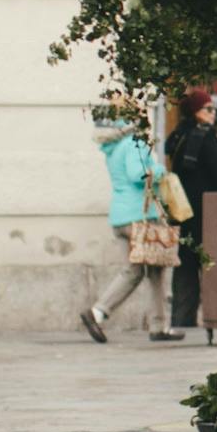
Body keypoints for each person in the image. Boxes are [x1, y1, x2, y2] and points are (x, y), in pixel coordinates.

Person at [81, 96, 168, 342]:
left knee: (136, 270)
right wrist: (160, 171)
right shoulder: (134, 141)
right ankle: (157, 326)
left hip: (120, 217)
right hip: (140, 216)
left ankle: (99, 313)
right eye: (141, 111)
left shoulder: (113, 144)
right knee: (153, 269)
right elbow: (138, 174)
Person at [161, 88, 217, 339]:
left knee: (186, 263)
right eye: (208, 108)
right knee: (212, 264)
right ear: (196, 111)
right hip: (207, 210)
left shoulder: (178, 135)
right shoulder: (204, 135)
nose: (213, 113)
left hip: (183, 210)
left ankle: (182, 321)